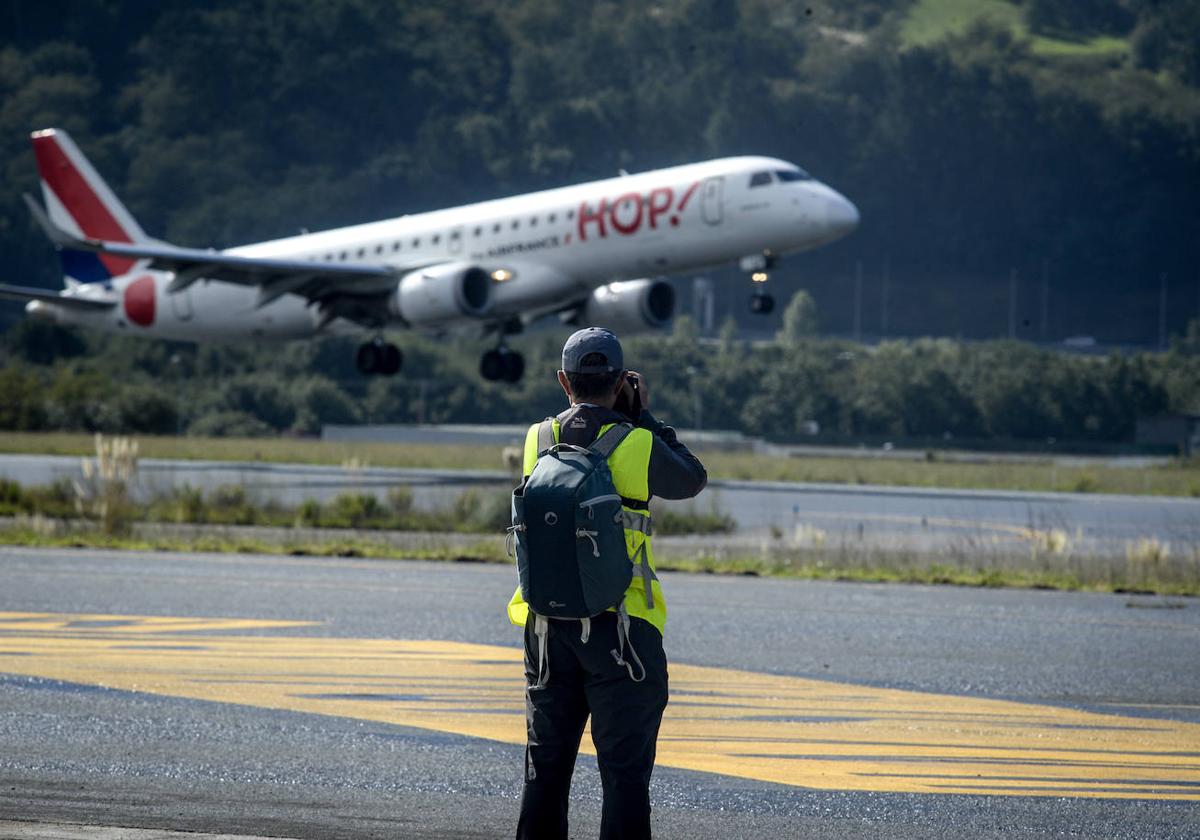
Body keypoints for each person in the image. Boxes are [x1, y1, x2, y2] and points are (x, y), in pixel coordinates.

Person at [507, 327, 708, 840]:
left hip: (548, 627)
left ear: (562, 381)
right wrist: (644, 416)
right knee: (623, 777)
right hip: (623, 630)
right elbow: (692, 477)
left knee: (545, 770)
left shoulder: (537, 439)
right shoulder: (638, 443)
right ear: (621, 381)